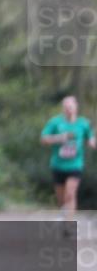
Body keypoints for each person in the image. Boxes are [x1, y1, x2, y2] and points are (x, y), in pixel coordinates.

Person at [40, 95, 95, 232]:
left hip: (75, 165)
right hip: (58, 165)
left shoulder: (83, 124)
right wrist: (59, 138)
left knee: (70, 194)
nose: (69, 110)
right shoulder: (55, 122)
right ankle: (64, 214)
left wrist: (93, 143)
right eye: (66, 107)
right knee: (62, 198)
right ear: (63, 109)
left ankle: (68, 226)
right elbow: (44, 139)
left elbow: (90, 141)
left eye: (71, 107)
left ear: (76, 107)